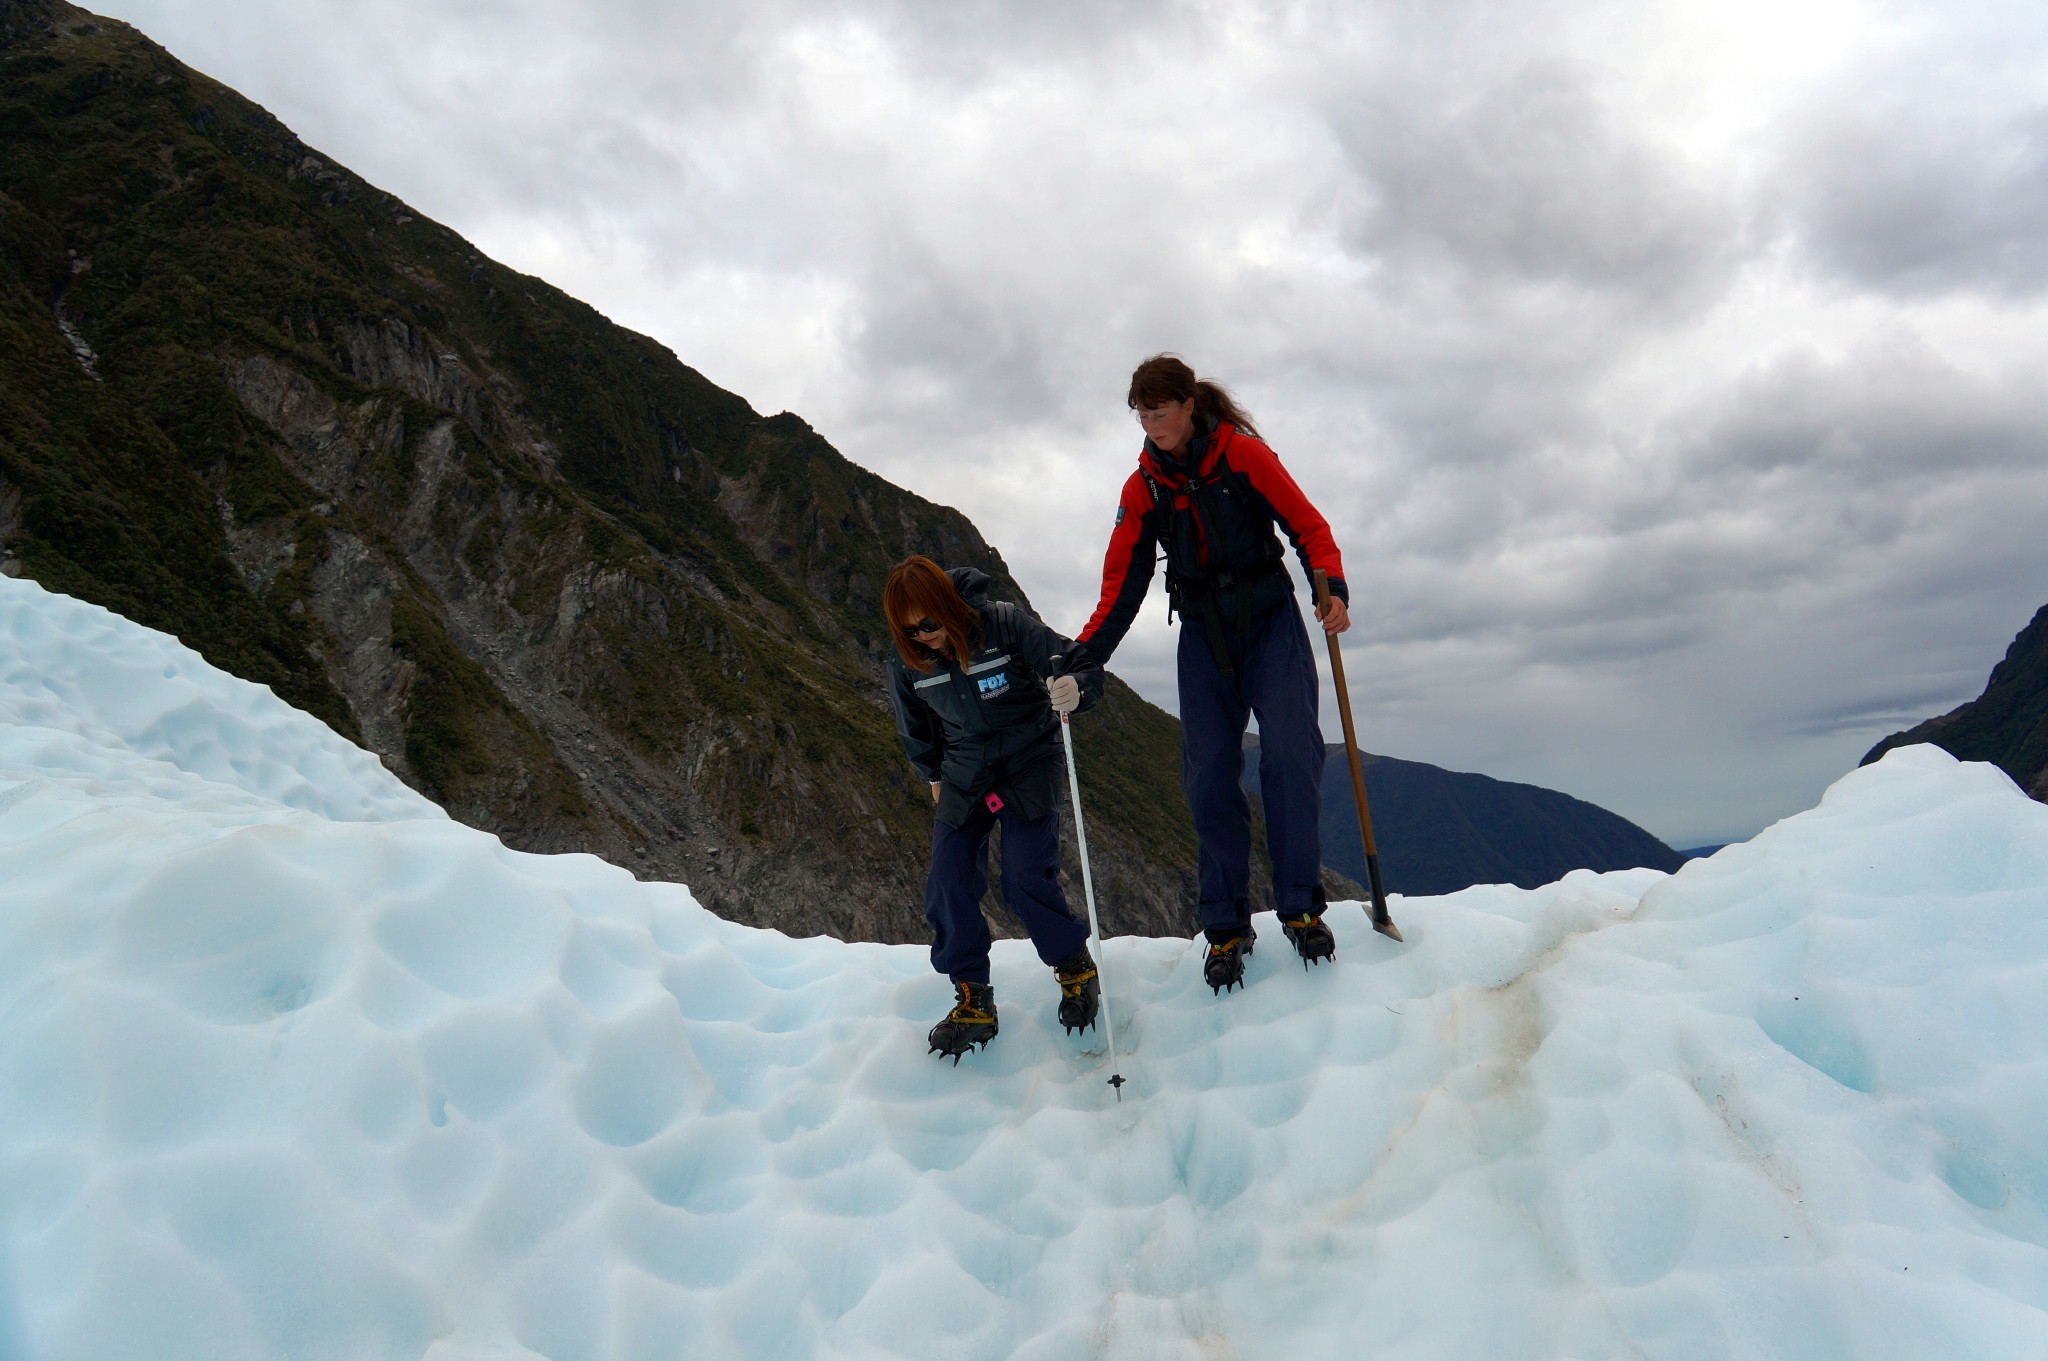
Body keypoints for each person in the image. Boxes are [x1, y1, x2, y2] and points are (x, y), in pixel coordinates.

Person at [1075, 354, 1351, 993]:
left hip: (1270, 620)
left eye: (1160, 411)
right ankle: (1224, 926)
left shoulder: (1243, 456)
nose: (1151, 424)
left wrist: (1330, 586)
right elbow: (1123, 583)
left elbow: (1307, 526)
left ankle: (1301, 907)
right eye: (1141, 415)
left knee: (1289, 755)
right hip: (1204, 635)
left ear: (1189, 405)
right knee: (1207, 777)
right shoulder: (1142, 488)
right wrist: (1084, 657)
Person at [884, 555, 1107, 1062]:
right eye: (909, 629)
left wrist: (1077, 689)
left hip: (1029, 757)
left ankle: (1074, 967)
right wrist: (934, 777)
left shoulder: (1002, 623)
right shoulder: (907, 661)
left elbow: (1075, 661)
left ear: (946, 606)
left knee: (1025, 877)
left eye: (929, 623)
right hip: (964, 770)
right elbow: (913, 725)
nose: (922, 636)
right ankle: (973, 998)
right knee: (947, 880)